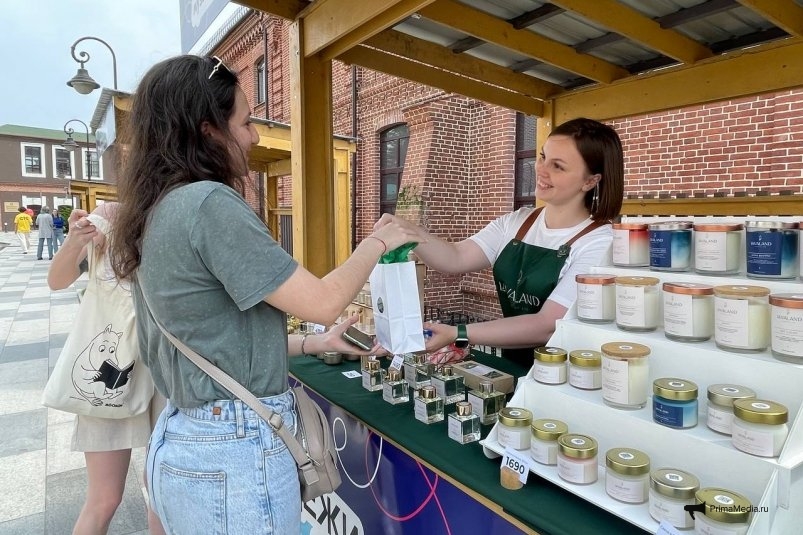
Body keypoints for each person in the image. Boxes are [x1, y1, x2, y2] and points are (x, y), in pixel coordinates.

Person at [108, 55, 420, 535]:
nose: (254, 136)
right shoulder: (207, 203)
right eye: (246, 122)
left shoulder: (155, 211)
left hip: (182, 436)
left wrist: (313, 343)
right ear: (208, 128)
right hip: (230, 449)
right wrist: (377, 243)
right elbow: (321, 301)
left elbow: (209, 340)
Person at [375, 117, 625, 367]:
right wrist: (407, 232)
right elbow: (456, 256)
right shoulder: (518, 221)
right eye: (542, 157)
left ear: (590, 181)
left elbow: (547, 325)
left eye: (558, 166)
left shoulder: (600, 243)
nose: (540, 169)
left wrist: (459, 333)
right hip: (513, 364)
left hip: (569, 374)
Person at [47, 202, 166, 535]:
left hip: (165, 369)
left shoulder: (180, 211)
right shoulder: (113, 213)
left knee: (161, 492)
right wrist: (75, 240)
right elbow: (57, 281)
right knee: (104, 498)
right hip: (111, 371)